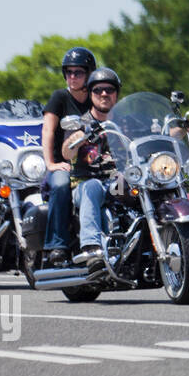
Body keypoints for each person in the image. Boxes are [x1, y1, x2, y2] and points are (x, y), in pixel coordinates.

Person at [60, 67, 122, 270]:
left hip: (119, 183)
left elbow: (152, 136)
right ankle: (92, 248)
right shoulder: (81, 123)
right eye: (98, 90)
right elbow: (66, 153)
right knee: (93, 186)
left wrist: (179, 128)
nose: (104, 94)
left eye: (109, 89)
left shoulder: (125, 123)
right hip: (86, 185)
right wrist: (77, 139)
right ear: (90, 94)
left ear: (116, 93)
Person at [40, 46, 95, 267]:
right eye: (69, 72)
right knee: (61, 186)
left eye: (78, 72)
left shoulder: (97, 97)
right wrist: (51, 163)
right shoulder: (60, 97)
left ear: (89, 73)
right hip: (63, 164)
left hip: (93, 165)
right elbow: (48, 131)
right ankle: (57, 245)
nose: (72, 77)